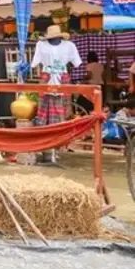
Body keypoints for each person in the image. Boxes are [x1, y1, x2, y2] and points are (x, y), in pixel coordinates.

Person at [31, 25, 82, 165]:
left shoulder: (69, 46)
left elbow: (76, 63)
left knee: (60, 114)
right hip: (46, 78)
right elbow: (35, 63)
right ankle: (45, 149)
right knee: (43, 115)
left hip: (62, 79)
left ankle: (54, 149)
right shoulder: (41, 45)